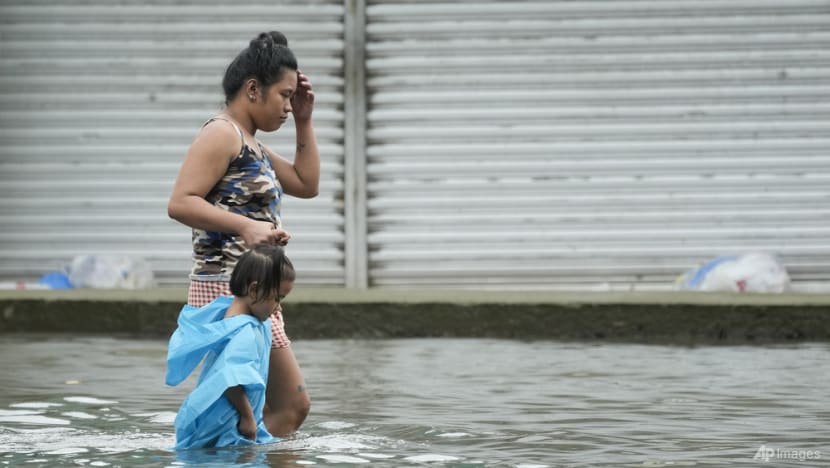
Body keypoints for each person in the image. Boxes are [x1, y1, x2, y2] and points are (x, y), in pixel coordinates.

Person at [167, 30, 318, 436]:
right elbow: (181, 202)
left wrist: (305, 119)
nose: (288, 106)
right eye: (284, 96)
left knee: (260, 408)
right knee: (289, 405)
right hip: (229, 288)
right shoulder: (222, 133)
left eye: (292, 98)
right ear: (253, 89)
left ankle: (231, 455)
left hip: (254, 287)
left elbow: (307, 183)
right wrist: (247, 226)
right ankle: (226, 457)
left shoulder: (251, 142)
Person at [166, 244, 296, 450]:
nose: (278, 306)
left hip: (221, 417)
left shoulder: (231, 314)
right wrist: (247, 417)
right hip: (226, 421)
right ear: (253, 289)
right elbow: (229, 377)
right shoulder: (244, 330)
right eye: (277, 298)